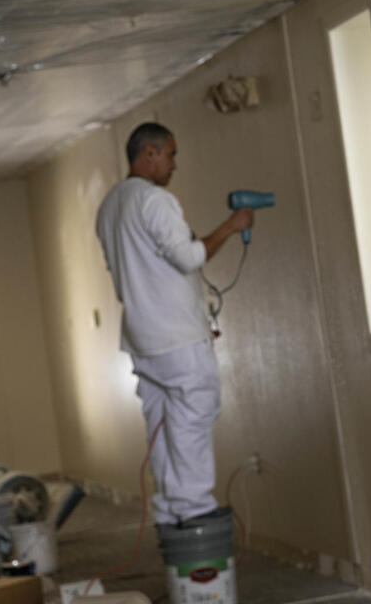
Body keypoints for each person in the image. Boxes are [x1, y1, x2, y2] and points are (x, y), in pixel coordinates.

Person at [96, 122, 253, 525]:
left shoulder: (111, 204)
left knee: (162, 420)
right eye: (171, 154)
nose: (174, 164)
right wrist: (233, 226)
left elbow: (143, 265)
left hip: (142, 338)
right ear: (149, 154)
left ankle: (170, 508)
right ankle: (193, 507)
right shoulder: (154, 200)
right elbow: (189, 259)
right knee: (193, 414)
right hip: (176, 337)